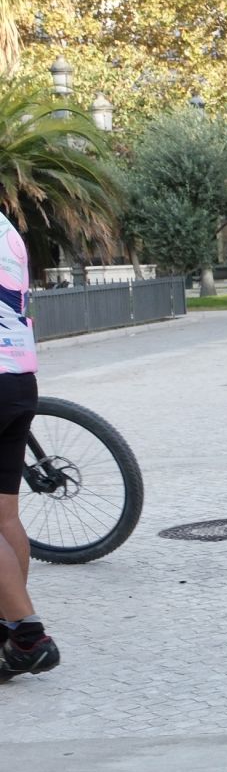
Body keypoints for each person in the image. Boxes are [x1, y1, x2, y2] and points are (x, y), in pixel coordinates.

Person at [0, 210, 57, 679]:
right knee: (5, 516)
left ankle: (28, 635)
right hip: (20, 377)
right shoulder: (7, 228)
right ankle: (9, 627)